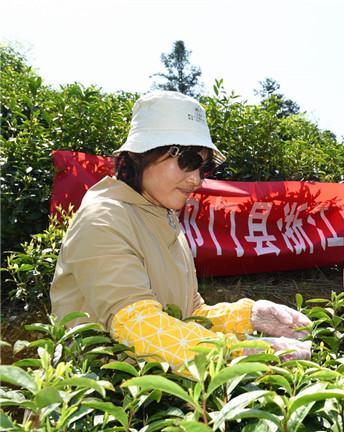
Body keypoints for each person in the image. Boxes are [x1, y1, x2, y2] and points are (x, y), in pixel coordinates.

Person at [50, 91, 311, 372]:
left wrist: (251, 315)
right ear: (142, 156)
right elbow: (136, 326)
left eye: (204, 167)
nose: (196, 179)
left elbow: (190, 313)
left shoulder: (164, 219)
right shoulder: (104, 219)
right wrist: (241, 353)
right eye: (187, 161)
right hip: (95, 402)